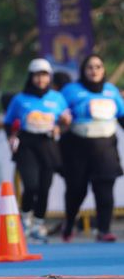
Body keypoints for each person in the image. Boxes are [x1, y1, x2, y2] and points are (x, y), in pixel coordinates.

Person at [4, 59, 71, 242]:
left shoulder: (57, 98)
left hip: (48, 145)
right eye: (37, 75)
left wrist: (62, 126)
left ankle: (38, 224)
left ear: (49, 77)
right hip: (27, 145)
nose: (41, 79)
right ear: (31, 77)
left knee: (44, 187)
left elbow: (66, 122)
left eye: (44, 75)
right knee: (31, 185)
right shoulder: (20, 99)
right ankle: (26, 219)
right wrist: (10, 137)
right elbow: (8, 122)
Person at [60, 54, 124, 242]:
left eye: (98, 67)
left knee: (105, 189)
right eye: (90, 67)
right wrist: (63, 119)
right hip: (77, 148)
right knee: (76, 190)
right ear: (83, 70)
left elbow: (121, 116)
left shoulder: (111, 90)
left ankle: (104, 230)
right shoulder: (70, 90)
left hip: (105, 148)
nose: (94, 71)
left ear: (103, 70)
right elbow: (59, 113)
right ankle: (69, 224)